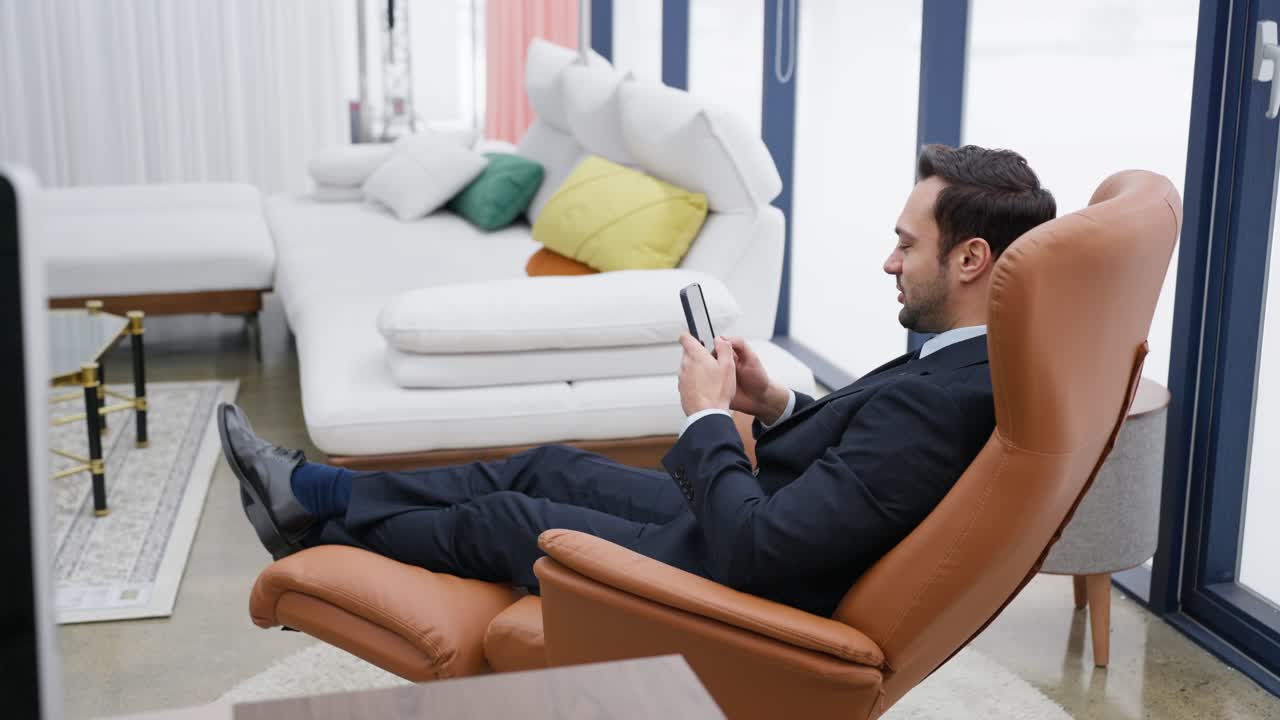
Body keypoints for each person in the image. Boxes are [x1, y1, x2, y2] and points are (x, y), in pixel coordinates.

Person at [219, 144, 1056, 618]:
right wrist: (775, 404)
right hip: (756, 522)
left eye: (907, 244)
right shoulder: (962, 362)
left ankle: (318, 545)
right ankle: (315, 488)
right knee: (544, 463)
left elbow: (761, 552)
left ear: (972, 258)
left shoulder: (945, 396)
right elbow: (865, 464)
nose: (889, 260)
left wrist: (703, 421)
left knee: (511, 518)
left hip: (735, 580)